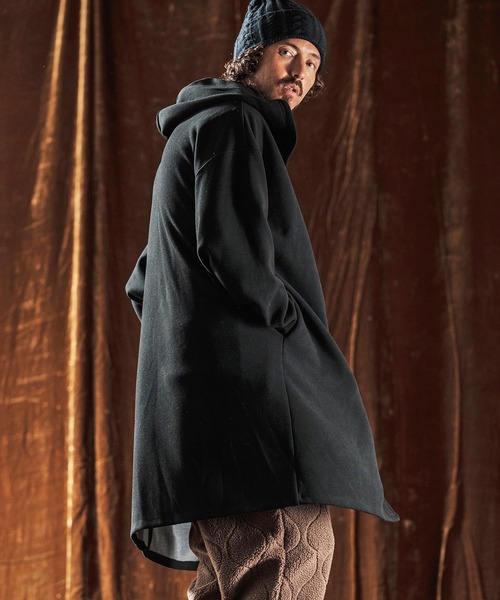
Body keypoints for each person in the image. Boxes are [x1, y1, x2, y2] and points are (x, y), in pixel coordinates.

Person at [126, 1, 399, 598]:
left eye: (312, 62)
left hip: (200, 416)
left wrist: (192, 343)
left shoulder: (194, 130)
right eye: (286, 52)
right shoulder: (234, 123)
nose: (299, 71)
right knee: (292, 553)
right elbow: (231, 252)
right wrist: (287, 321)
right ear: (250, 57)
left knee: (229, 576)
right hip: (252, 405)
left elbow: (144, 280)